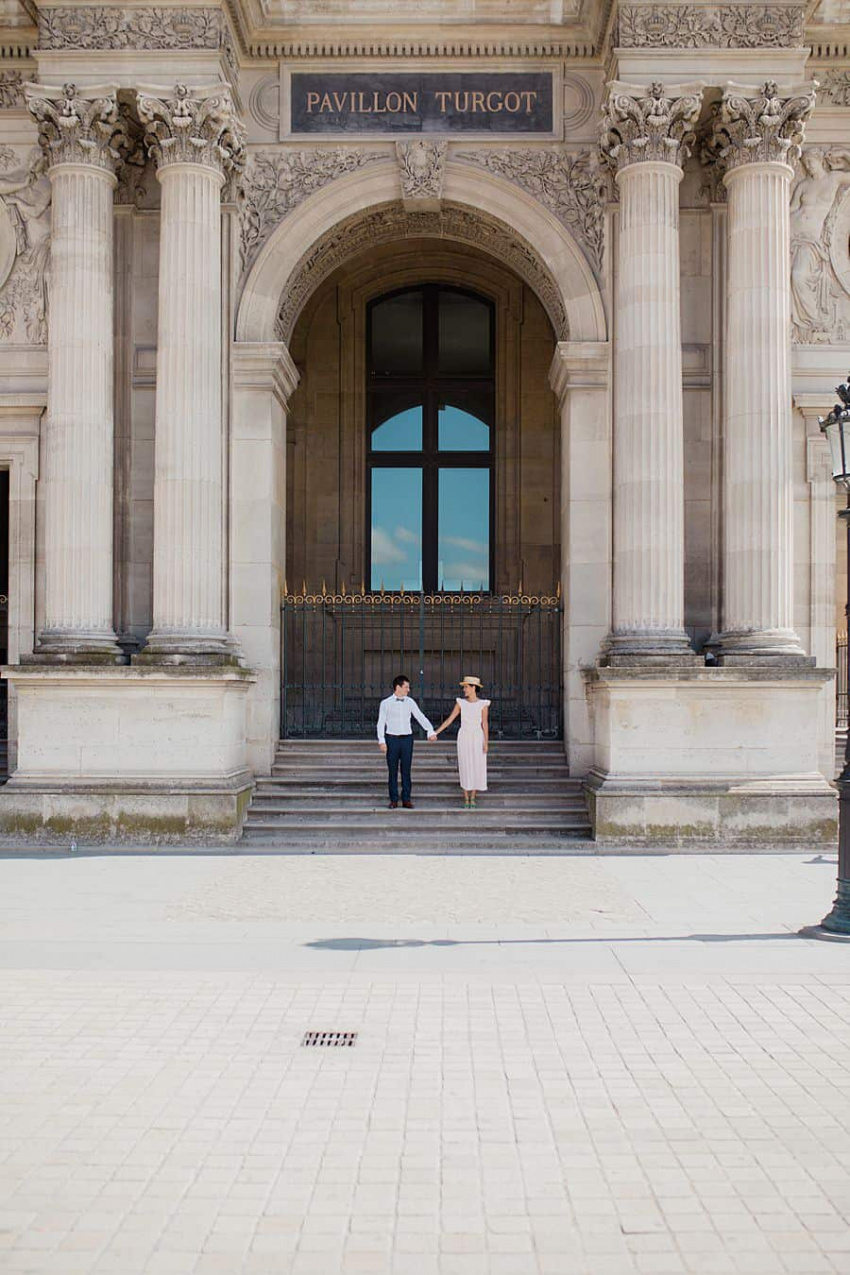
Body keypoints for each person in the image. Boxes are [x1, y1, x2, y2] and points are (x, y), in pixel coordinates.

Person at [376, 675, 437, 810]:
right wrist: (381, 740)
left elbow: (420, 716)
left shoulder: (410, 702)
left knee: (406, 770)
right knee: (392, 770)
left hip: (407, 739)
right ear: (398, 687)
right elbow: (381, 723)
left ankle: (406, 799)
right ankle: (393, 799)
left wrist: (430, 730)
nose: (408, 690)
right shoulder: (385, 703)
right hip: (391, 738)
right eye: (406, 687)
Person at [433, 676, 490, 809]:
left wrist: (486, 742)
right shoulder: (460, 703)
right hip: (464, 735)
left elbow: (485, 724)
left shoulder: (483, 704)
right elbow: (449, 720)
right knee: (465, 764)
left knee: (477, 764)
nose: (464, 689)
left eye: (466, 687)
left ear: (473, 688)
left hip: (477, 735)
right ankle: (465, 797)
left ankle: (473, 797)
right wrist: (436, 732)